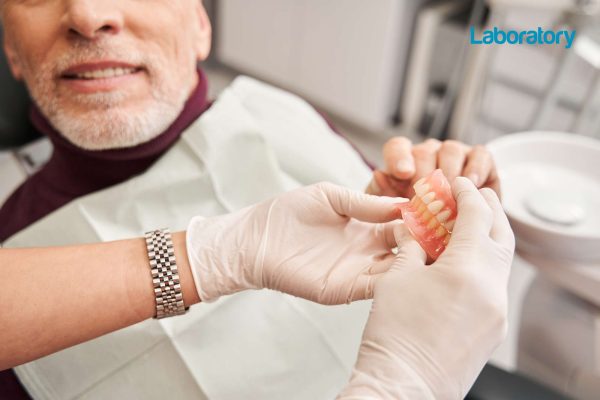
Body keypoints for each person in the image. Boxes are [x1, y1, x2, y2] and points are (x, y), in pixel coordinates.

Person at [0, 0, 506, 398]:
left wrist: (440, 228)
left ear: (201, 25)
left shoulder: (277, 115)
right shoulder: (17, 247)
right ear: (12, 53)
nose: (88, 14)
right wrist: (406, 383)